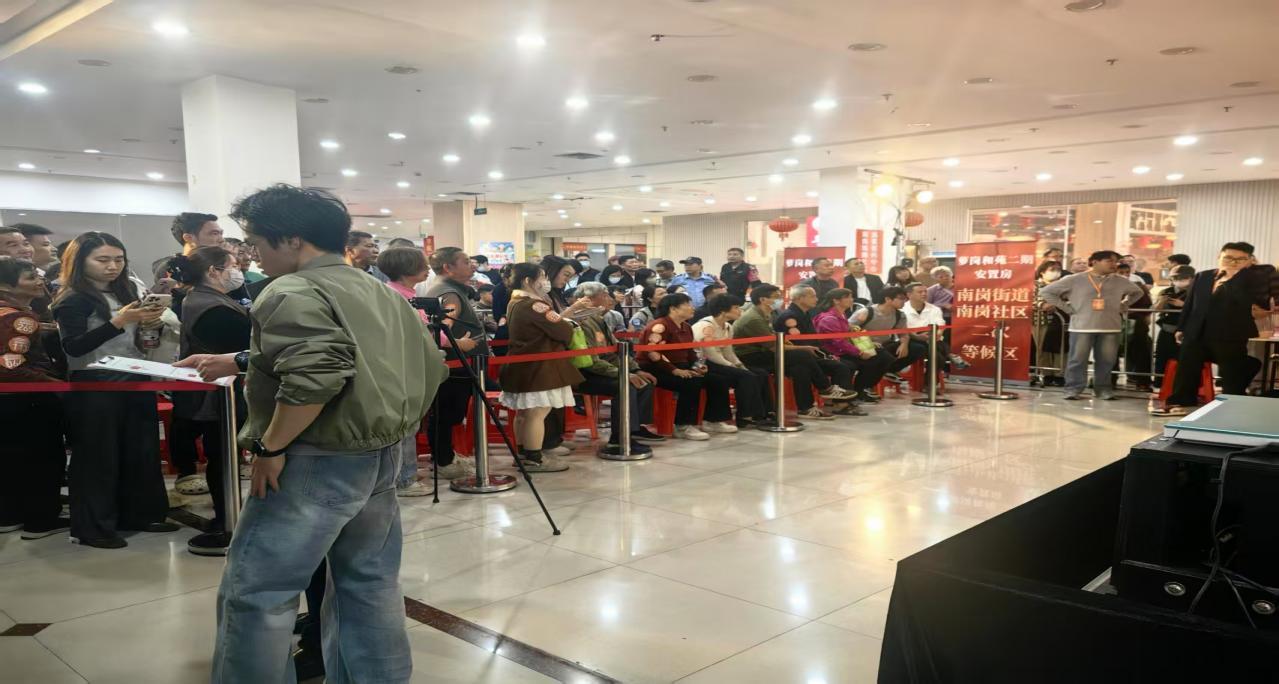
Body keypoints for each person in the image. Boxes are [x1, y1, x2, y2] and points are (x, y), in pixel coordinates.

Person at [207, 184, 443, 683]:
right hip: (381, 454)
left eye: (256, 242)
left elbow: (317, 374)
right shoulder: (381, 291)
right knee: (370, 584)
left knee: (258, 594)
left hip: (315, 457)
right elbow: (427, 365)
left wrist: (271, 445)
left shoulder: (290, 290)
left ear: (292, 239)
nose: (253, 255)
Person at [52, 232, 176, 549]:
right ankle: (93, 527)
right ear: (80, 261)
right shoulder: (72, 298)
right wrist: (119, 321)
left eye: (118, 259)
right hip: (94, 380)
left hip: (135, 374)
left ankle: (141, 514)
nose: (112, 266)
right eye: (103, 260)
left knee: (141, 450)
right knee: (98, 456)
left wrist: (150, 323)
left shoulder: (128, 289)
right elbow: (74, 347)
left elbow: (138, 338)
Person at [165, 246, 251, 556]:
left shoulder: (204, 298)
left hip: (216, 390)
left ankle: (228, 517)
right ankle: (225, 521)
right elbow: (244, 342)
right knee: (222, 456)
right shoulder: (210, 306)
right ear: (214, 271)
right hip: (217, 394)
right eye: (233, 265)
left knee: (223, 455)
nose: (238, 271)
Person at [1154, 242, 1269, 415]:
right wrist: (1182, 327)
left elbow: (1249, 303)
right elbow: (1190, 304)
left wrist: (1233, 278)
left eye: (1240, 259)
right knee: (1187, 366)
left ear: (1249, 260)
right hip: (1196, 330)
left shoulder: (1254, 280)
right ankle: (1181, 401)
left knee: (1231, 370)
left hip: (1230, 333)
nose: (1233, 262)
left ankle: (1231, 402)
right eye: (1228, 258)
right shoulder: (1203, 276)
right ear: (1219, 257)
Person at [0, 257, 68, 540]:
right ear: (6, 286)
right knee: (42, 460)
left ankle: (9, 516)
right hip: (28, 401)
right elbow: (11, 366)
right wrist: (58, 386)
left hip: (7, 403)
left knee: (9, 461)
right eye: (30, 277)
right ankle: (41, 520)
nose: (40, 281)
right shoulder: (20, 319)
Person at [499, 262, 585, 471]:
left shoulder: (515, 302)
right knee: (537, 413)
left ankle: (522, 454)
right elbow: (562, 330)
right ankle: (534, 458)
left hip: (522, 365)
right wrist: (568, 325)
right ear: (528, 281)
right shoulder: (535, 305)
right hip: (540, 367)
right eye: (543, 277)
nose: (546, 281)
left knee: (523, 413)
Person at [733, 284, 850, 420]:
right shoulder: (754, 318)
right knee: (803, 355)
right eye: (776, 297)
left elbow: (776, 339)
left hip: (764, 352)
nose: (780, 300)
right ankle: (825, 387)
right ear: (763, 299)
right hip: (750, 356)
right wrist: (803, 348)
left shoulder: (767, 314)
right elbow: (774, 347)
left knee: (800, 368)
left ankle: (805, 408)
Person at [1039, 250, 1145, 400]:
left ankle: (1103, 389)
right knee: (1077, 360)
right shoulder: (1075, 279)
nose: (1114, 264)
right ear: (1095, 262)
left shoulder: (1120, 280)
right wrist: (1066, 308)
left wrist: (1124, 304)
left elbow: (1138, 292)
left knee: (1106, 361)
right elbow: (1047, 292)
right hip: (1081, 327)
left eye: (1115, 262)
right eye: (1109, 261)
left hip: (1110, 327)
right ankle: (1073, 389)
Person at [420, 247, 486, 481]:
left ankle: (445, 456)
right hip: (455, 364)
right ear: (448, 267)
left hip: (457, 362)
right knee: (447, 414)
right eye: (466, 262)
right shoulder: (449, 293)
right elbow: (440, 329)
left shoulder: (447, 289)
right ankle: (443, 461)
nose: (472, 265)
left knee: (448, 413)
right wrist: (460, 343)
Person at [575, 281, 665, 449]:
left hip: (605, 369)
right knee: (625, 386)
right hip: (585, 373)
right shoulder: (582, 322)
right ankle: (619, 437)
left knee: (645, 381)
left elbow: (616, 351)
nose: (611, 299)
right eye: (605, 295)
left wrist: (635, 369)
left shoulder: (600, 319)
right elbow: (591, 361)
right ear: (590, 299)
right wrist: (623, 374)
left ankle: (635, 428)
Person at [377, 247, 437, 496]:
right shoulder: (395, 297)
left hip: (410, 368)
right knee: (406, 425)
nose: (428, 269)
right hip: (402, 370)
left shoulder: (405, 294)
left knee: (410, 424)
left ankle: (405, 472)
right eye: (423, 265)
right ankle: (404, 479)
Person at [640, 292, 736, 438]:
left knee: (718, 380)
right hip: (656, 368)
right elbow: (653, 353)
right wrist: (674, 370)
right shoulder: (659, 326)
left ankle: (713, 420)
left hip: (681, 366)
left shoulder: (686, 326)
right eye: (687, 305)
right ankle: (683, 426)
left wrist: (697, 366)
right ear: (673, 309)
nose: (693, 308)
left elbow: (690, 351)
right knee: (691, 383)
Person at [775, 285, 866, 415]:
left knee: (842, 366)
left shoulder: (806, 314)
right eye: (812, 296)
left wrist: (828, 354)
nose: (816, 299)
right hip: (795, 356)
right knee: (802, 369)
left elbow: (815, 340)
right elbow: (794, 342)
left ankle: (840, 403)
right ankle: (819, 398)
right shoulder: (789, 316)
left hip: (811, 354)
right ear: (799, 298)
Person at [692, 293, 772, 427]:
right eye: (736, 307)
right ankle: (745, 416)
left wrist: (739, 365)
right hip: (704, 363)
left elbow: (728, 351)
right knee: (747, 376)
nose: (740, 311)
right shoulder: (706, 326)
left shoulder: (728, 327)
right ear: (723, 311)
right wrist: (732, 366)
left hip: (721, 362)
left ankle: (765, 413)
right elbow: (711, 354)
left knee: (760, 373)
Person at [812, 288, 893, 402]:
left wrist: (867, 344)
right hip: (835, 353)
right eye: (847, 297)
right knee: (855, 364)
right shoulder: (828, 319)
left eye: (851, 296)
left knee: (883, 356)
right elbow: (839, 342)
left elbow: (847, 336)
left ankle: (862, 389)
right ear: (836, 300)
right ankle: (849, 397)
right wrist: (859, 352)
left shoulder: (842, 314)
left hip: (845, 349)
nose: (852, 299)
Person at [862, 286, 927, 379]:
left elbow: (904, 333)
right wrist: (868, 344)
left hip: (885, 344)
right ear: (887, 299)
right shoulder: (866, 312)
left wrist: (904, 345)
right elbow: (850, 329)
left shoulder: (900, 315)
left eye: (905, 299)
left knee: (918, 348)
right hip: (866, 346)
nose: (904, 301)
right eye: (901, 298)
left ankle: (889, 370)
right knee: (884, 356)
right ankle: (879, 374)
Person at [1152, 265, 1195, 389]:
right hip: (1167, 329)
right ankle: (1160, 383)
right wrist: (1162, 302)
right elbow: (1155, 309)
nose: (1178, 280)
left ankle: (1182, 385)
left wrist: (1183, 305)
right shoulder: (1166, 291)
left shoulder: (1196, 292)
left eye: (1182, 277)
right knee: (1162, 358)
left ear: (1191, 278)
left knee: (1184, 359)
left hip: (1188, 331)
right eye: (1174, 278)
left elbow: (1201, 310)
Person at [152, 212, 224, 286]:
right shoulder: (173, 269)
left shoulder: (220, 263)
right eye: (214, 233)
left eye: (221, 234)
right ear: (188, 238)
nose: (222, 240)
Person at [1032, 260, 1068, 386]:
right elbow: (1028, 299)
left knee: (1061, 349)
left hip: (1060, 321)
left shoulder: (1063, 285)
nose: (1056, 272)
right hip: (1040, 322)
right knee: (1042, 349)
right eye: (1052, 270)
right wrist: (1042, 304)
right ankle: (1045, 374)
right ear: (1042, 272)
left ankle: (1060, 375)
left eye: (1058, 269)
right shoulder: (1034, 285)